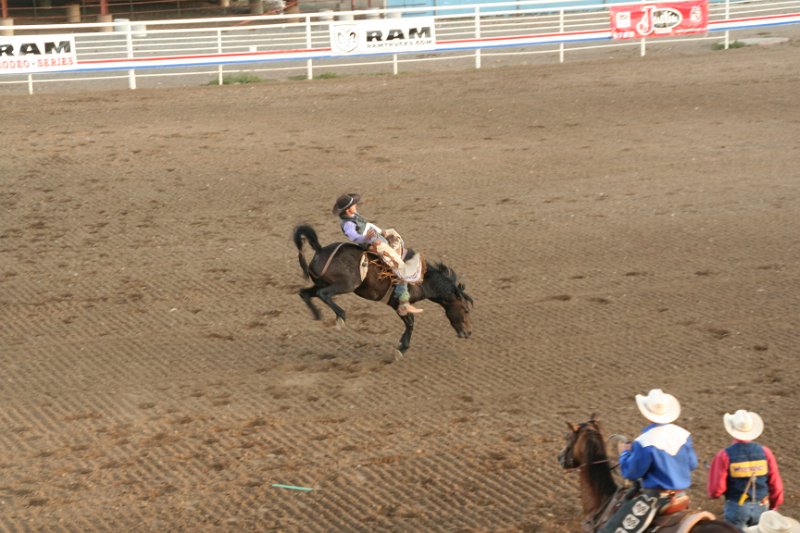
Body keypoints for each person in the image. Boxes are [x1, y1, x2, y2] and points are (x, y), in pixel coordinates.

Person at [599, 389, 698, 533]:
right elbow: (693, 464)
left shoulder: (644, 441)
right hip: (681, 495)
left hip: (657, 498)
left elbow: (631, 473)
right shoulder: (684, 435)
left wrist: (624, 453)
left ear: (648, 414)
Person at [331, 193, 423, 316]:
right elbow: (354, 236)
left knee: (394, 233)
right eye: (354, 204)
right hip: (371, 244)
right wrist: (366, 237)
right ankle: (403, 301)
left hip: (375, 237)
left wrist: (381, 231)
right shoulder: (347, 224)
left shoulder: (354, 216)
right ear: (348, 209)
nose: (356, 205)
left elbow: (368, 225)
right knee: (396, 263)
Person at [708, 409, 784, 529]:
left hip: (737, 506)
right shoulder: (765, 452)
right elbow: (775, 483)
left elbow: (717, 489)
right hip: (762, 505)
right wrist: (774, 505)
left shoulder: (724, 455)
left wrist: (715, 495)